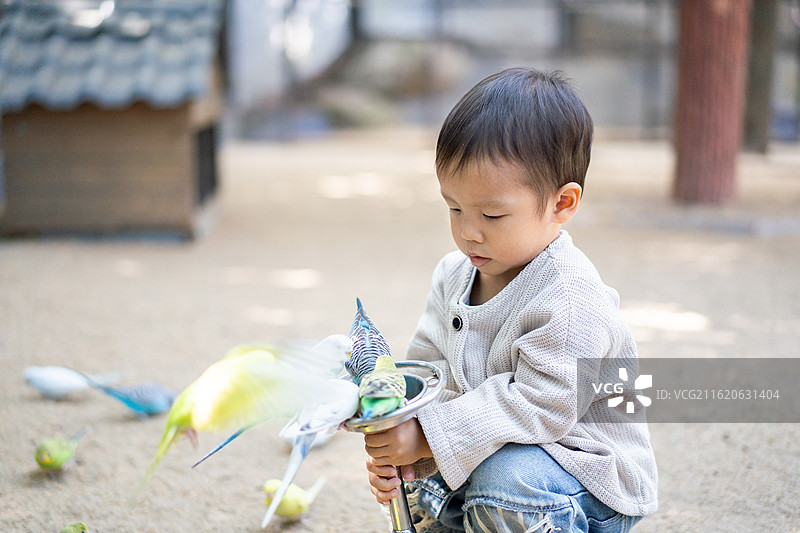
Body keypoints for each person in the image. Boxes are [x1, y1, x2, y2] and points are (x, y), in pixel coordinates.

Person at [362, 67, 658, 533]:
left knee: (505, 482)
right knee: (432, 479)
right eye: (454, 208)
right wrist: (404, 438)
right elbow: (429, 371)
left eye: (492, 214)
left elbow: (544, 403)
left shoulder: (570, 296)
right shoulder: (452, 276)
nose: (468, 231)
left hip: (583, 475)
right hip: (494, 459)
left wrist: (430, 438)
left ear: (562, 204)